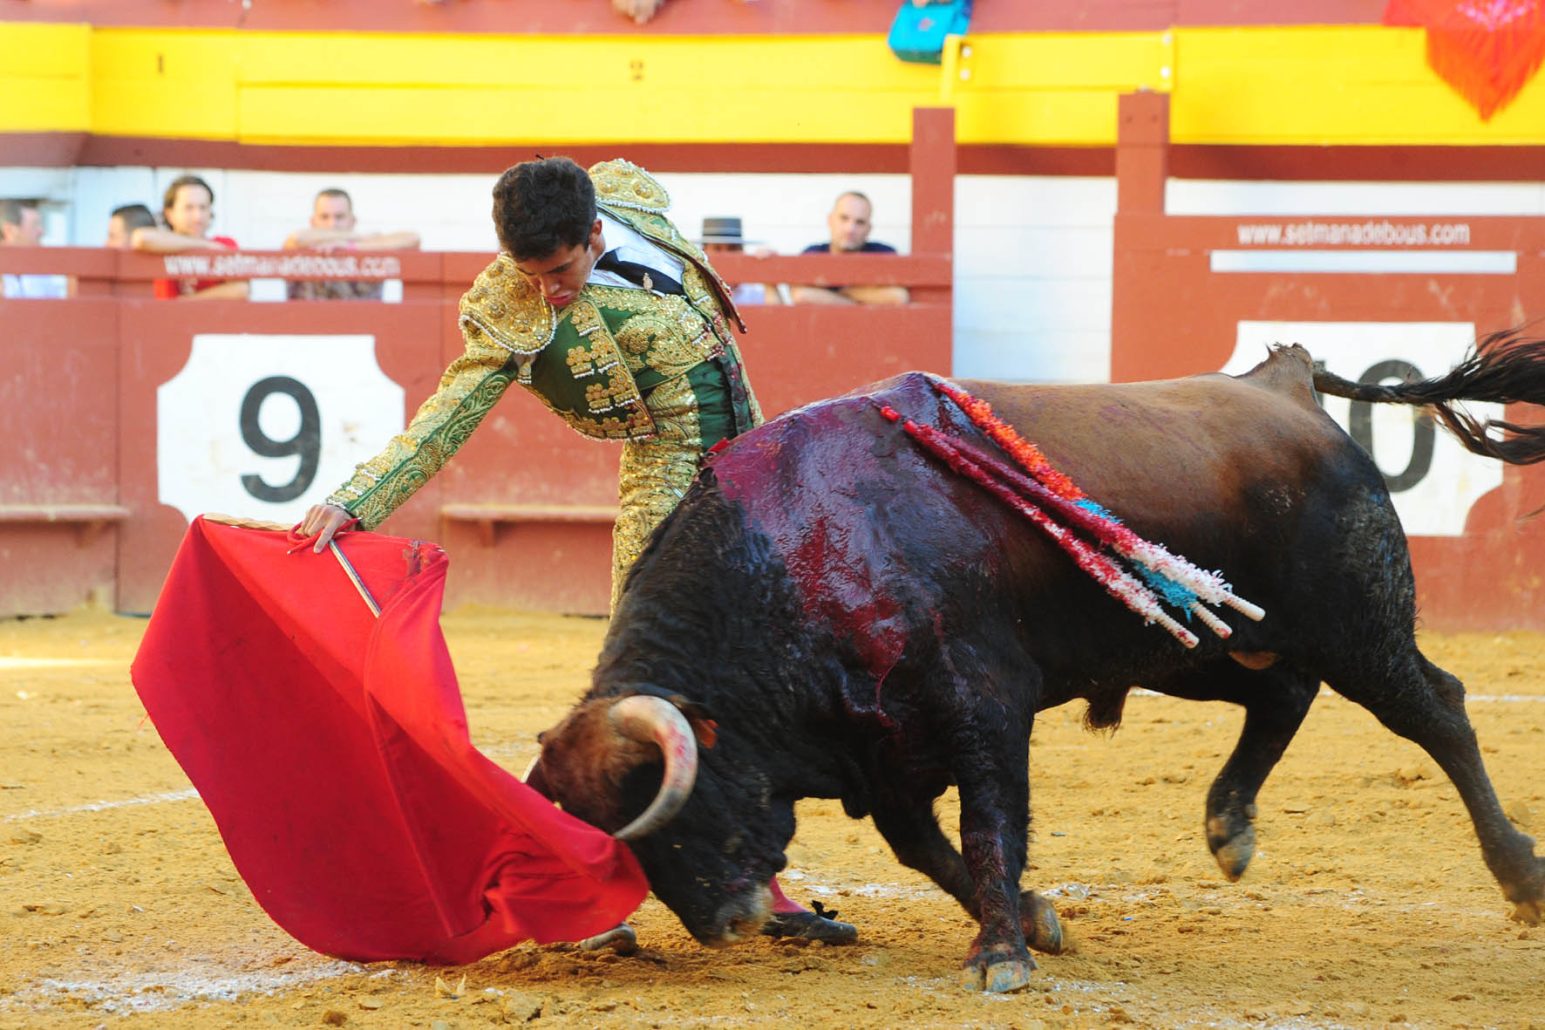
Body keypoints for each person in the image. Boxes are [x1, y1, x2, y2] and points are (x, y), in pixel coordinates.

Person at [299, 156, 851, 948]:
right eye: (531, 274)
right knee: (645, 698)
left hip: (751, 479)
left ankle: (760, 883)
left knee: (749, 687)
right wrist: (357, 499)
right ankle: (567, 893)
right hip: (667, 493)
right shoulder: (509, 307)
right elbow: (446, 416)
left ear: (595, 232)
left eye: (559, 271)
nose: (547, 292)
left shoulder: (628, 199)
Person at [283, 188, 421, 301]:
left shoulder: (370, 245)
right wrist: (358, 237)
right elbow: (297, 238)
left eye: (340, 217)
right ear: (313, 222)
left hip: (363, 325)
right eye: (324, 217)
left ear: (352, 220)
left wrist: (351, 247)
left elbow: (412, 239)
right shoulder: (301, 243)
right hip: (309, 325)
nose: (332, 224)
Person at [132, 174, 250, 301]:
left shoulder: (223, 243)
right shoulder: (161, 243)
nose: (197, 217)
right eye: (188, 208)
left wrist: (185, 302)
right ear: (169, 214)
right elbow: (141, 238)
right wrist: (203, 244)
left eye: (203, 207)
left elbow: (241, 289)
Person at [790, 190, 909, 306]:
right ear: (830, 220)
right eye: (844, 218)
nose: (850, 229)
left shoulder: (883, 254)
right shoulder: (814, 254)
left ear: (869, 229)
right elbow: (801, 295)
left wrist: (842, 292)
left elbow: (898, 296)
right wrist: (861, 301)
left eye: (860, 222)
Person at [698, 216, 783, 306]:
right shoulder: (695, 290)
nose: (726, 255)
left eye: (732, 248)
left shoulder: (753, 293)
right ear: (703, 252)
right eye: (717, 248)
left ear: (742, 251)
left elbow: (776, 312)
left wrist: (768, 272)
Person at [1, 199, 70, 299]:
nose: (41, 231)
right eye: (34, 225)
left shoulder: (41, 273)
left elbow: (57, 305)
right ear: (9, 230)